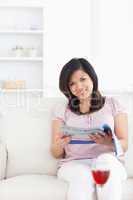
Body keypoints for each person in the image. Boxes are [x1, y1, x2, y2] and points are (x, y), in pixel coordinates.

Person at [51, 58, 128, 200]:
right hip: (74, 164)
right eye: (72, 83)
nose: (79, 86)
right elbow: (55, 153)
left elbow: (125, 144)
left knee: (105, 162)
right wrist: (60, 143)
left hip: (109, 161)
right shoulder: (62, 109)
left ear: (92, 78)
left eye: (82, 79)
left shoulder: (113, 104)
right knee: (83, 175)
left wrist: (109, 142)